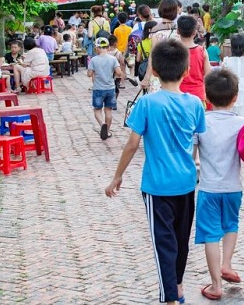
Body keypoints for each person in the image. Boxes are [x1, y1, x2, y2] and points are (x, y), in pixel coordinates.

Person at [105, 39, 205, 305]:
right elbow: (201, 143)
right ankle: (178, 288)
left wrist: (118, 175)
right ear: (186, 71)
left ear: (156, 72)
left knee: (165, 244)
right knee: (181, 241)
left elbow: (132, 143)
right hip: (186, 183)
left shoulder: (147, 104)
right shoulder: (195, 104)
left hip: (157, 187)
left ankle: (170, 297)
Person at [194, 69, 244, 300]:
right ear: (235, 97)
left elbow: (192, 154)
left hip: (209, 188)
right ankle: (227, 264)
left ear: (207, 97)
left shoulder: (202, 122)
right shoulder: (242, 124)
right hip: (234, 187)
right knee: (231, 225)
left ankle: (216, 284)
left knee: (210, 235)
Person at [140, 0, 178, 92]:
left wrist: (146, 77)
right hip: (176, 73)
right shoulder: (180, 31)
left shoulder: (155, 31)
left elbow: (152, 56)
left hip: (158, 74)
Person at [88, 37, 123, 140]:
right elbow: (119, 72)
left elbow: (89, 74)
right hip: (110, 89)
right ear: (108, 47)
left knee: (97, 110)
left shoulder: (94, 60)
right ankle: (107, 131)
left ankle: (102, 124)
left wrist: (94, 71)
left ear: (97, 48)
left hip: (98, 89)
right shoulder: (113, 59)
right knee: (108, 111)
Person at [176, 15, 210, 105]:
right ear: (195, 33)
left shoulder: (174, 51)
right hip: (198, 95)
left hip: (178, 94)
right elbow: (208, 74)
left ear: (178, 31)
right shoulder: (202, 51)